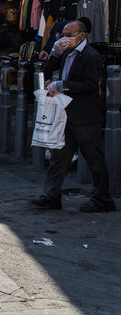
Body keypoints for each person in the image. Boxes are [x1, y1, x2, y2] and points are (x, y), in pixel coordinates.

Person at [31, 20, 116, 213]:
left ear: (82, 35)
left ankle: (103, 199)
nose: (65, 38)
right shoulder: (66, 53)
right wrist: (55, 52)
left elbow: (90, 85)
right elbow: (46, 70)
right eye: (63, 35)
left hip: (84, 116)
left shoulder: (91, 56)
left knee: (93, 158)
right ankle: (52, 196)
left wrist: (63, 85)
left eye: (69, 35)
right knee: (59, 157)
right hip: (65, 114)